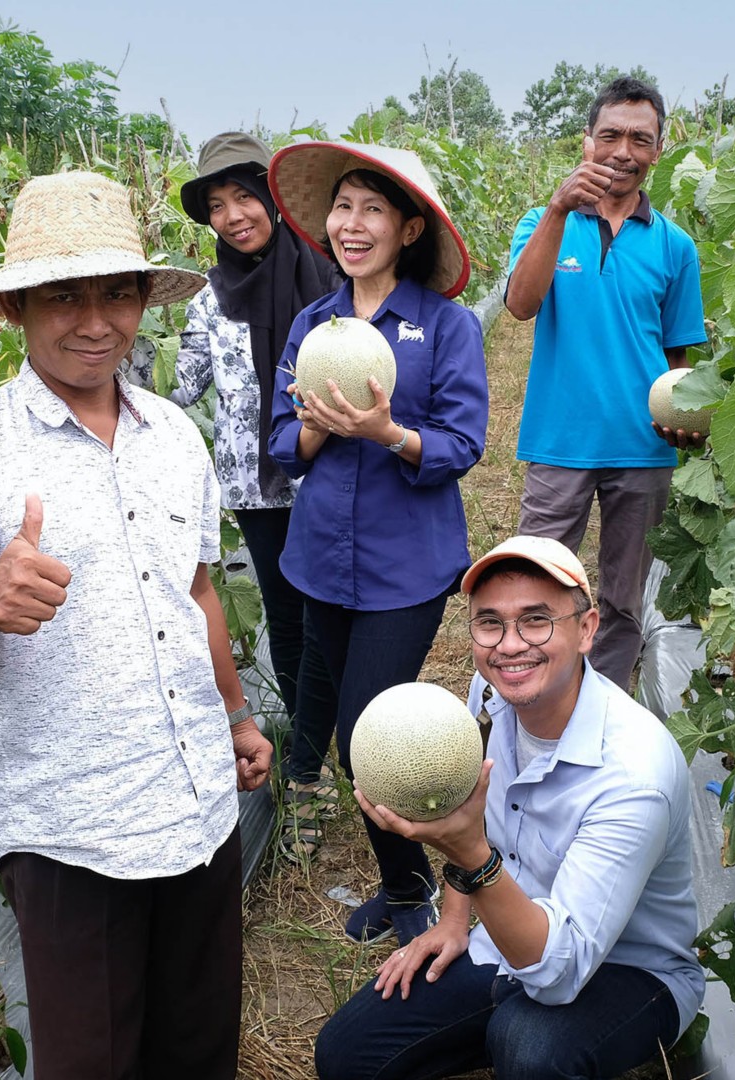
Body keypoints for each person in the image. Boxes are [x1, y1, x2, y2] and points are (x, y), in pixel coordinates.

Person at [0, 170, 274, 1080]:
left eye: (115, 292)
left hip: (197, 808)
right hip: (74, 831)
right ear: (14, 310)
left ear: (145, 300)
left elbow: (198, 594)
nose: (94, 320)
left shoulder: (174, 436)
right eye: (63, 296)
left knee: (197, 1051)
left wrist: (235, 716)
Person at [314, 535, 704, 1080]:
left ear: (586, 629)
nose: (510, 645)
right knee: (347, 1055)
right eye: (490, 622)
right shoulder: (491, 693)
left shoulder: (634, 776)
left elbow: (561, 971)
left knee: (527, 1046)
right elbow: (472, 804)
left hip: (630, 968)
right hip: (508, 932)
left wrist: (466, 849)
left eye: (537, 620)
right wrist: (453, 920)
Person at [266, 142, 488, 944]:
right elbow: (281, 443)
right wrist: (322, 432)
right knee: (352, 734)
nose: (351, 226)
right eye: (342, 209)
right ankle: (406, 890)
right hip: (319, 559)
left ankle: (424, 890)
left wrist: (389, 432)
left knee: (370, 738)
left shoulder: (446, 326)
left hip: (407, 569)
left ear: (407, 227)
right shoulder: (313, 325)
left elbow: (463, 444)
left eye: (372, 210)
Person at [504, 76, 708, 688]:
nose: (624, 150)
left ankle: (606, 707)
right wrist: (560, 208)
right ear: (587, 140)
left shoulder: (675, 246)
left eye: (639, 139)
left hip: (643, 446)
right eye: (611, 135)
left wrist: (689, 423)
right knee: (535, 584)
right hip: (560, 440)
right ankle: (529, 700)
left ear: (658, 149)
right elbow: (520, 304)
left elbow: (678, 357)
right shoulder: (544, 222)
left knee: (622, 598)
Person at [175, 132, 344, 862]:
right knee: (287, 622)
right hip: (260, 486)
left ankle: (324, 751)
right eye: (217, 206)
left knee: (333, 617)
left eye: (245, 195)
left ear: (273, 197)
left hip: (336, 476)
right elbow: (179, 385)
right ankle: (308, 772)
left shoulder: (333, 277)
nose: (234, 215)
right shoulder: (210, 300)